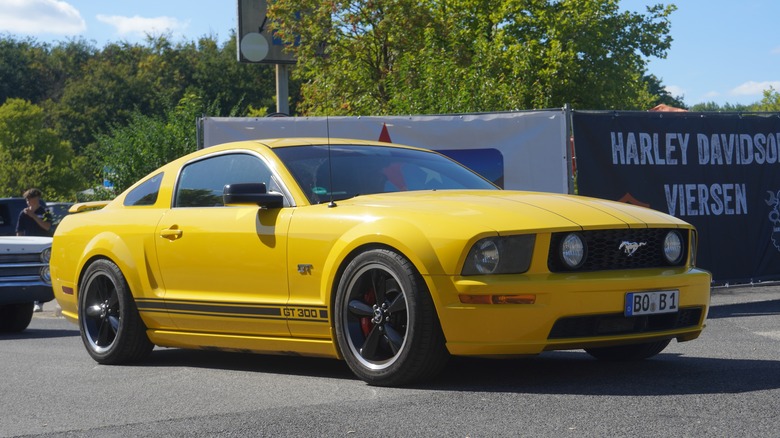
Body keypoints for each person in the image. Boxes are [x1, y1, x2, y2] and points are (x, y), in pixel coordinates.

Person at [15, 188, 53, 312]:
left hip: (42, 246)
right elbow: (19, 231)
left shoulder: (45, 211)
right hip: (29, 246)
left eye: (29, 199)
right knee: (29, 271)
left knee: (42, 271)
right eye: (26, 199)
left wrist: (34, 216)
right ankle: (28, 300)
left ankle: (40, 302)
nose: (27, 201)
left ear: (36, 199)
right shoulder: (23, 213)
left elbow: (47, 227)